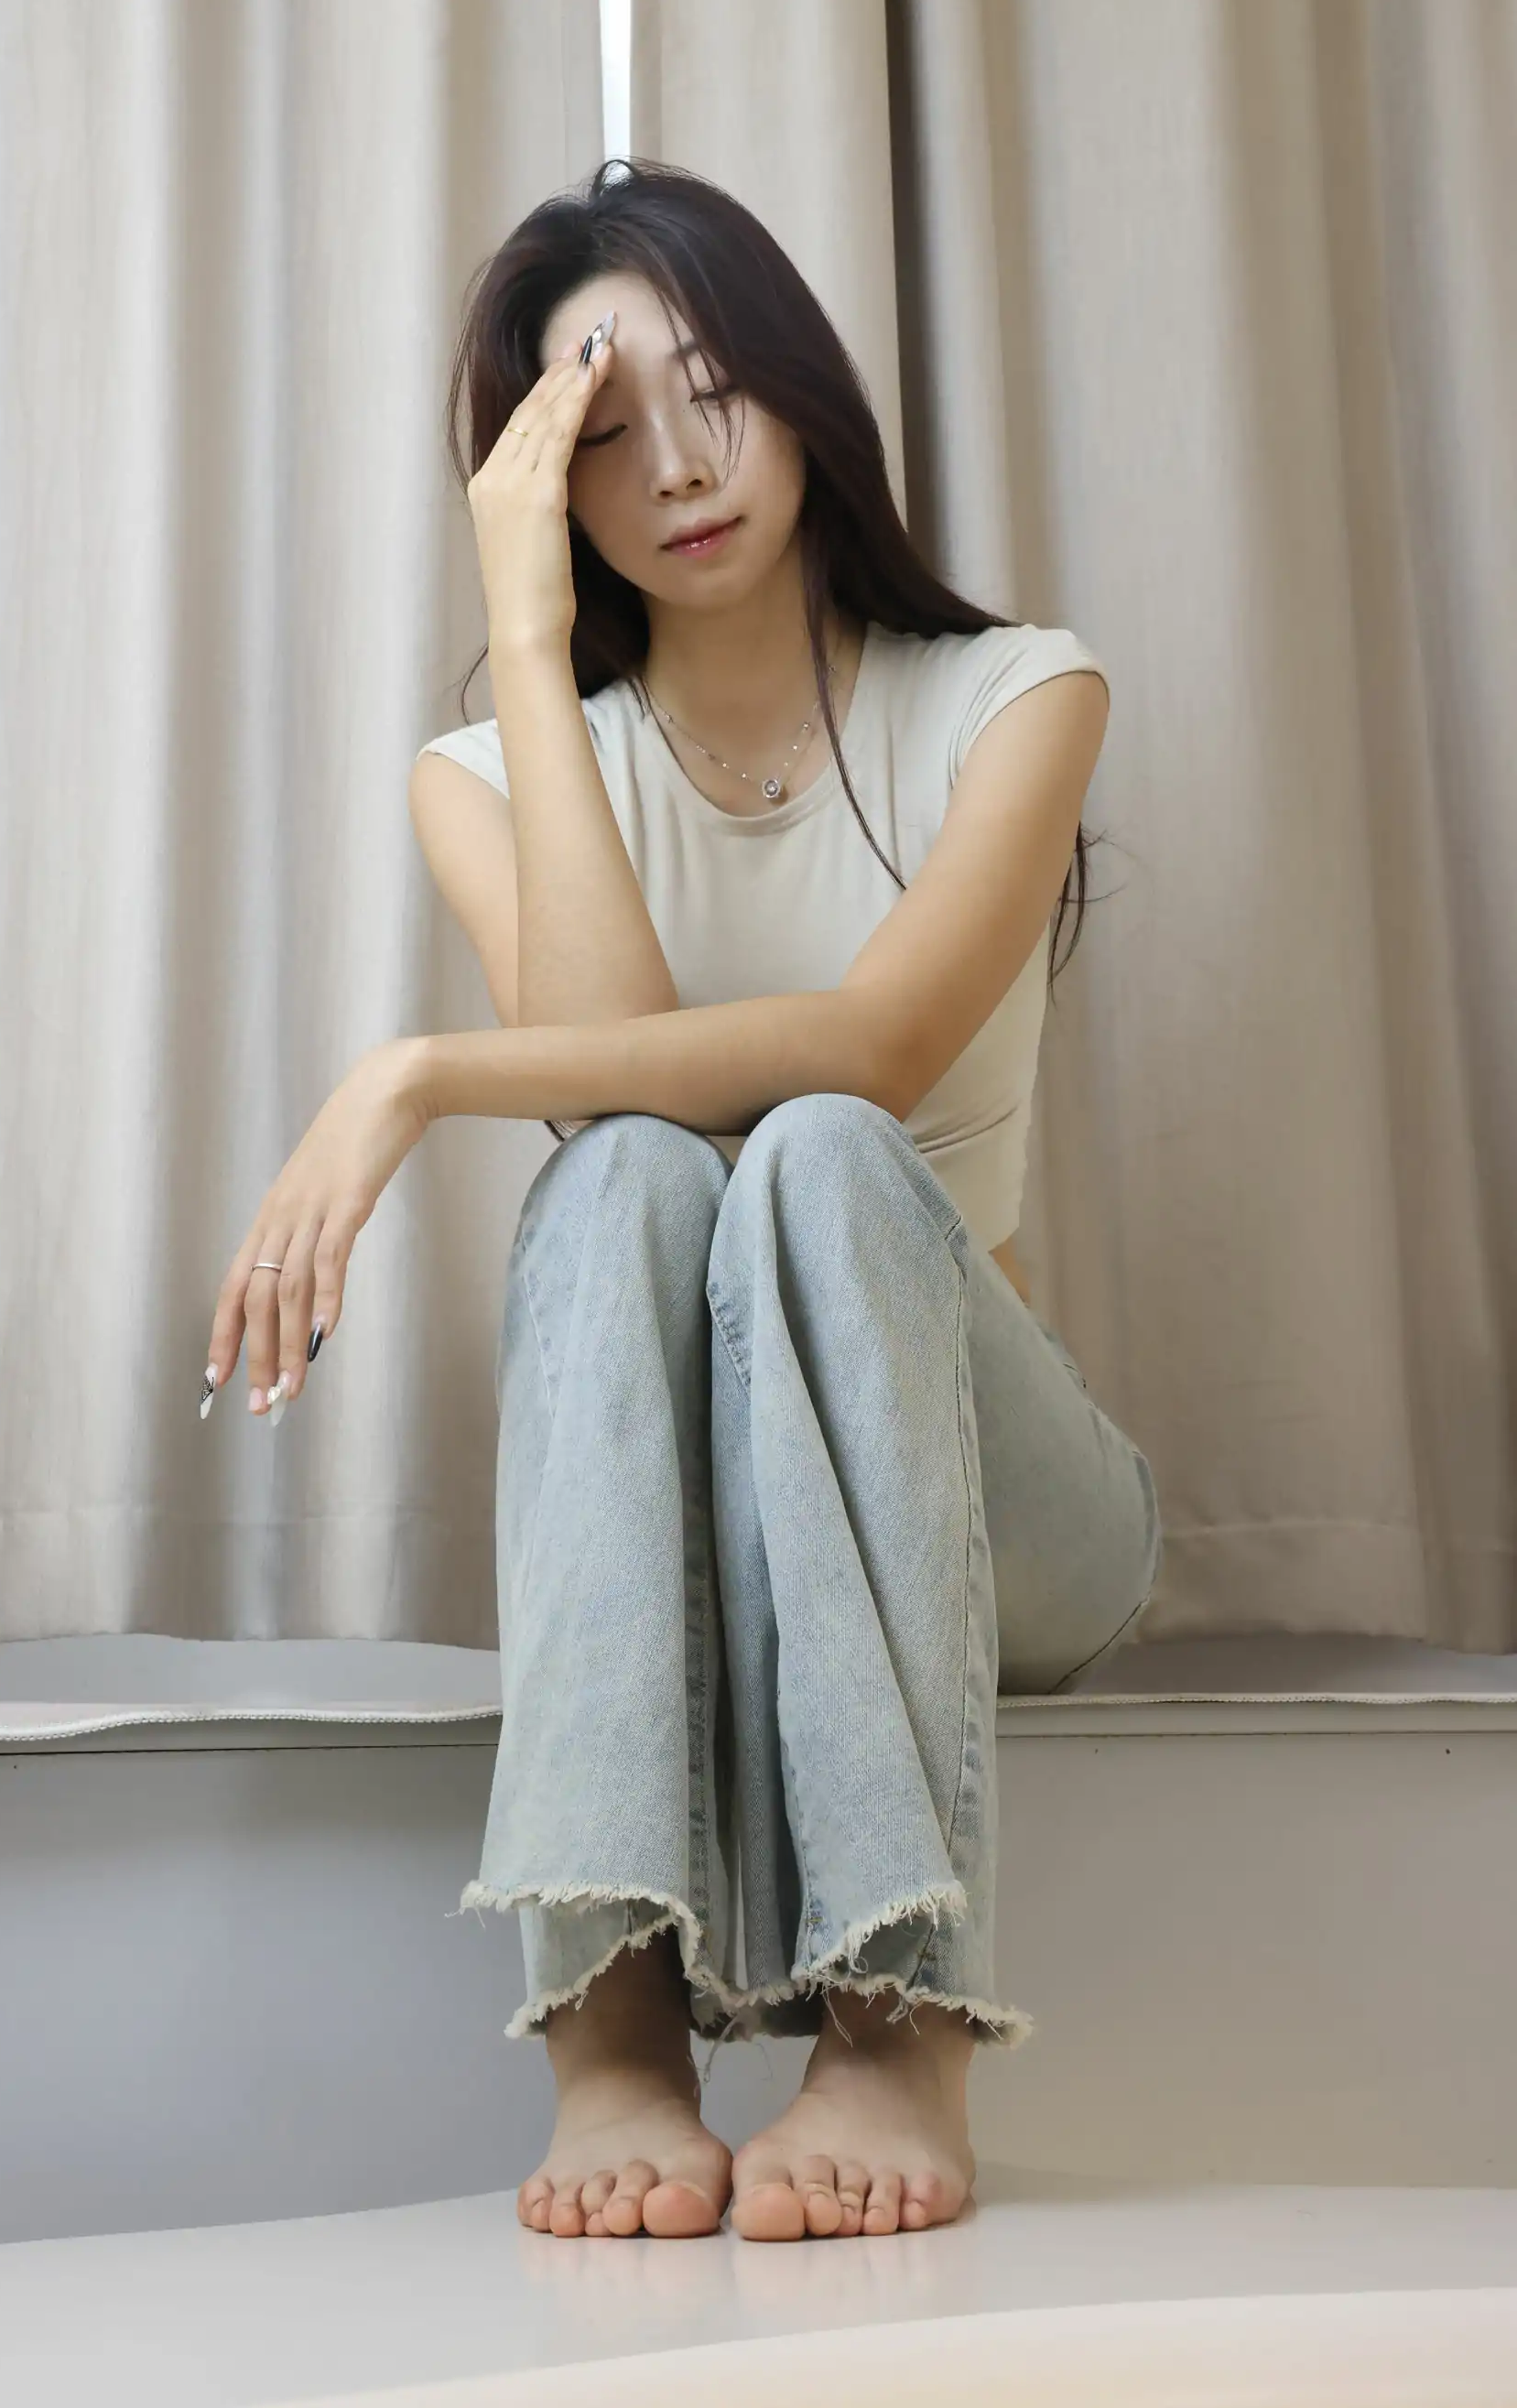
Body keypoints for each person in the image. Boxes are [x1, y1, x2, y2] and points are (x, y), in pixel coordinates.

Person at [206, 157, 1161, 2245]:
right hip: (701, 1520)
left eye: (714, 389)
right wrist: (528, 645)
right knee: (628, 1168)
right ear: (534, 486)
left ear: (806, 390)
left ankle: (900, 2019)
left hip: (1010, 1511)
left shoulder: (1020, 696)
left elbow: (869, 1053)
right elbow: (615, 1065)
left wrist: (416, 1072)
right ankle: (612, 2021)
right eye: (600, 432)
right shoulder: (484, 773)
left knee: (817, 1144)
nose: (679, 466)